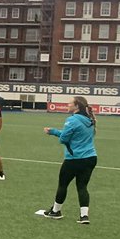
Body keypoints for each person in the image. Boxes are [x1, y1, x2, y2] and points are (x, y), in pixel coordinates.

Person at [35, 95, 97, 224]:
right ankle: (84, 216)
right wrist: (54, 131)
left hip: (74, 159)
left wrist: (56, 134)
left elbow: (64, 139)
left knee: (63, 184)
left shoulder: (72, 120)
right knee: (82, 187)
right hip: (90, 158)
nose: (67, 105)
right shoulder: (90, 120)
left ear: (76, 106)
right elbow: (73, 134)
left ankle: (56, 211)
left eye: (70, 103)